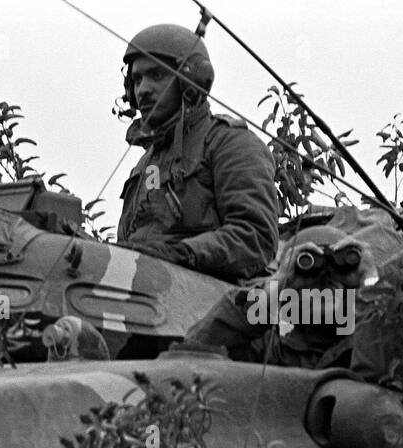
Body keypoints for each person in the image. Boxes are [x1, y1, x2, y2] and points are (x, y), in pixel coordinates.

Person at [116, 24, 280, 286]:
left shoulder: (230, 144)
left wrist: (182, 254)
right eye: (136, 80)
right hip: (141, 294)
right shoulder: (148, 166)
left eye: (156, 75)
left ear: (189, 82)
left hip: (212, 301)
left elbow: (255, 236)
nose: (143, 89)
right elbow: (139, 235)